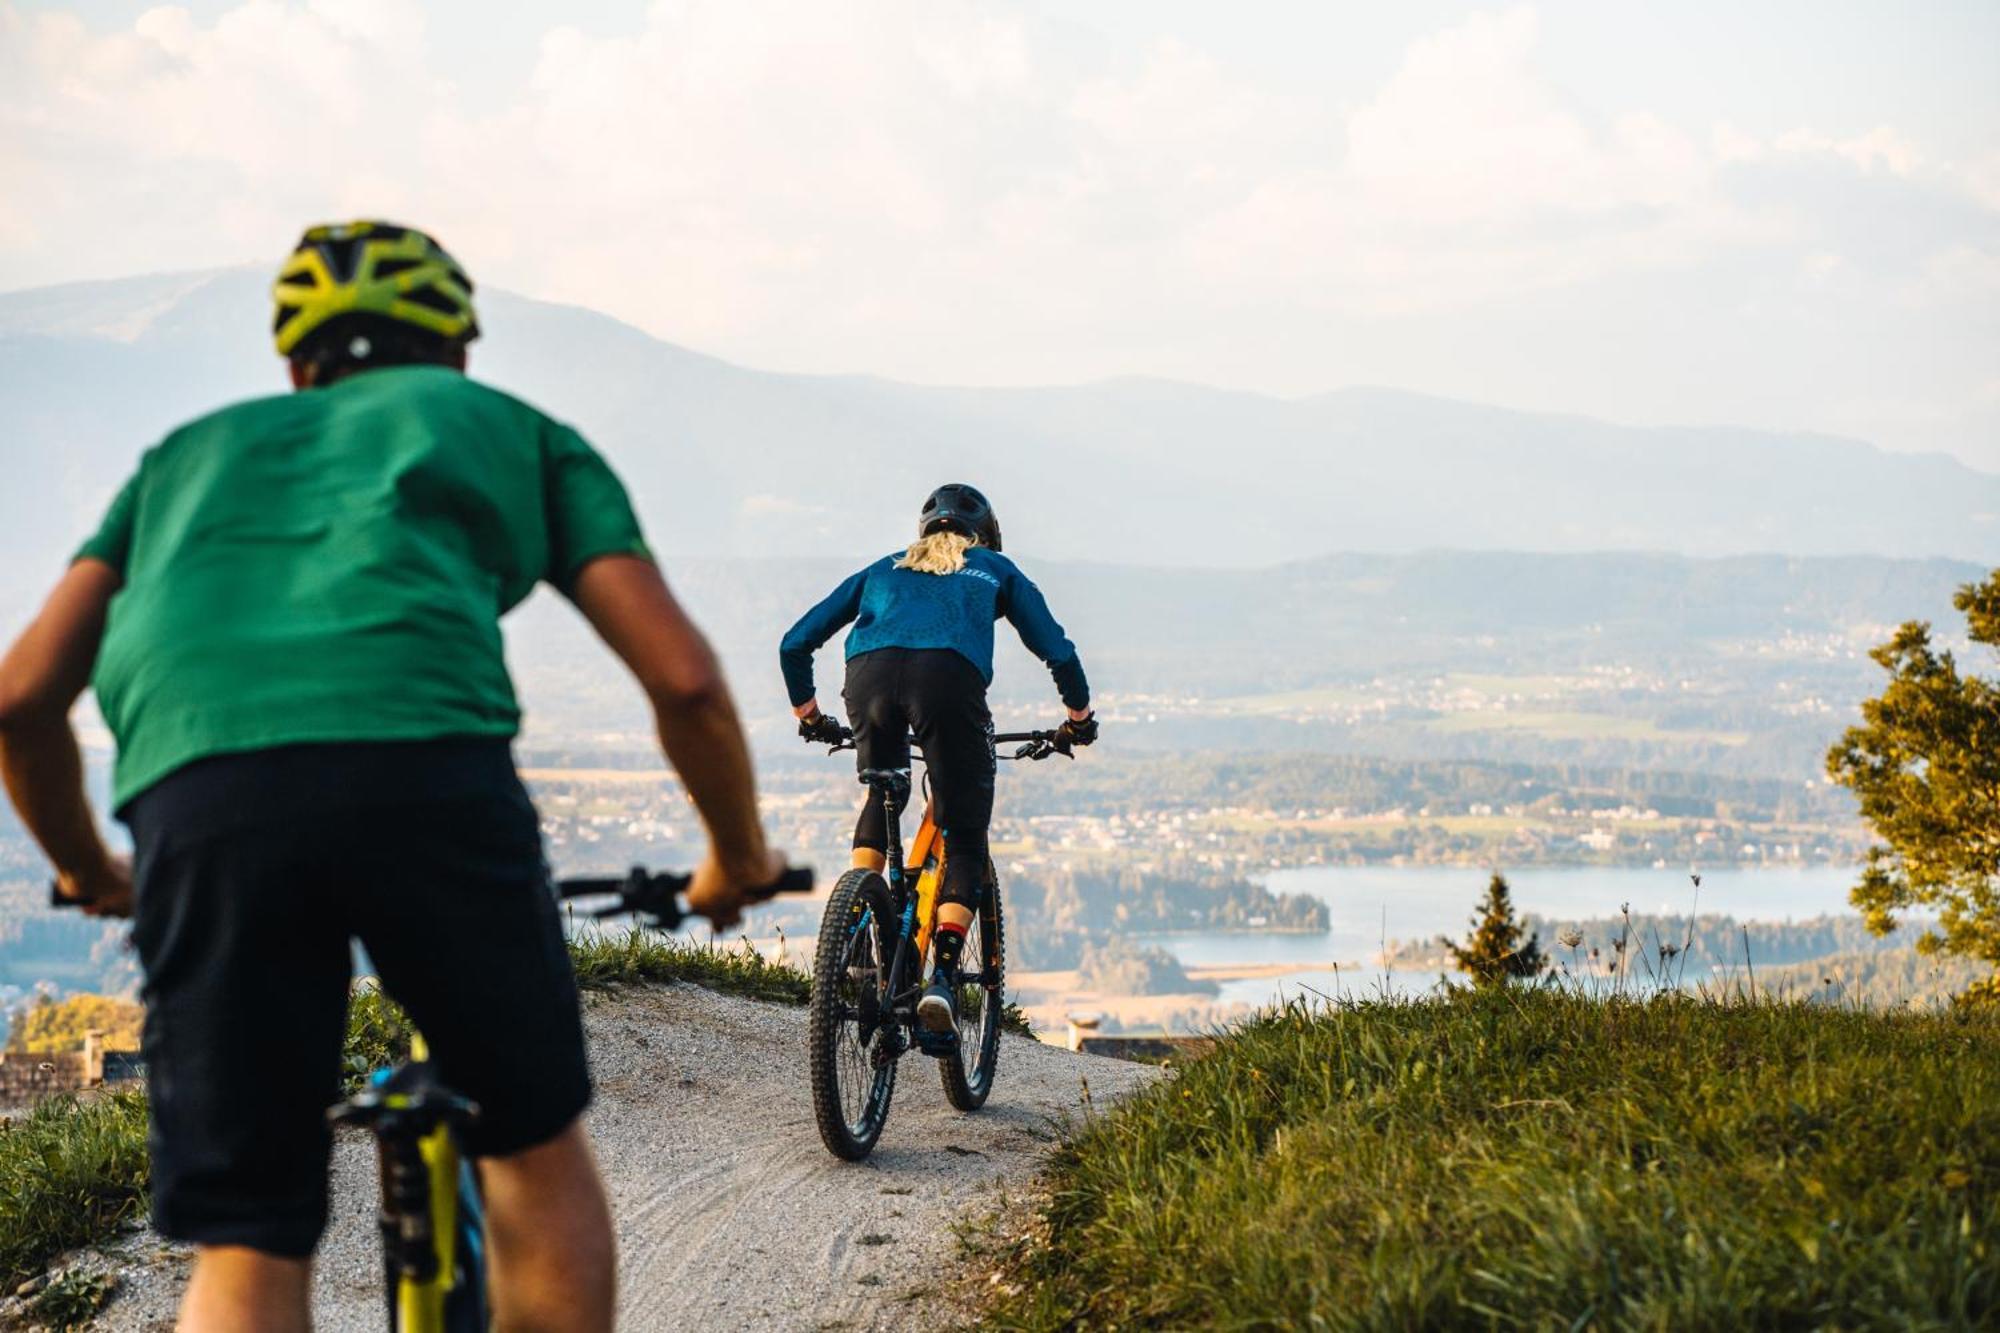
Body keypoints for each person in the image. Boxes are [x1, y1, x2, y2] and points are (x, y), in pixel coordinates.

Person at [0, 220, 788, 1333]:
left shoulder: (185, 456)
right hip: (426, 778)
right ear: (458, 351)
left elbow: (22, 696)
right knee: (528, 1143)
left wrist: (93, 869)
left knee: (248, 1234)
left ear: (294, 367)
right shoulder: (516, 431)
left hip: (203, 801)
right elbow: (689, 682)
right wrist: (737, 857)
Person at [780, 484, 1095, 1031]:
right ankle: (944, 982)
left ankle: (856, 930)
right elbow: (1058, 651)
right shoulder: (995, 569)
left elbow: (794, 643)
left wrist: (809, 715)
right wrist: (1078, 721)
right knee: (966, 836)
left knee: (884, 793)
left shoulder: (885, 567)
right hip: (948, 684)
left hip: (868, 679)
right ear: (985, 537)